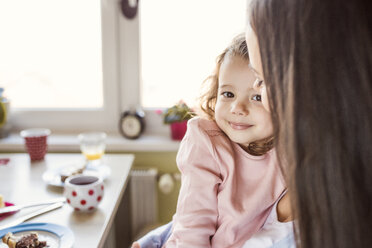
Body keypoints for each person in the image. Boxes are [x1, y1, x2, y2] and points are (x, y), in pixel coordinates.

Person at [137, 33, 285, 248]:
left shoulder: (287, 147)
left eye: (256, 97)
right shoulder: (207, 142)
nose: (237, 108)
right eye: (228, 94)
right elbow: (193, 225)